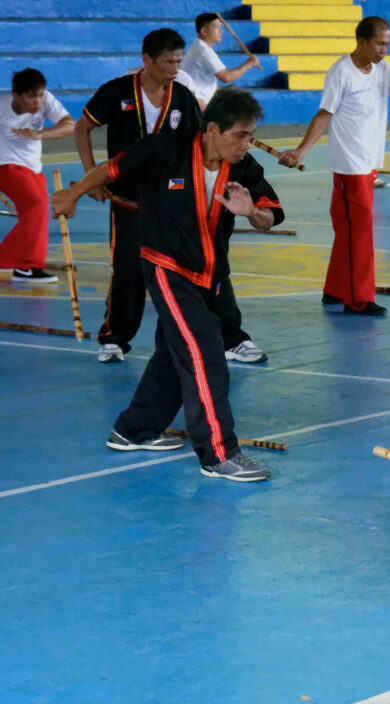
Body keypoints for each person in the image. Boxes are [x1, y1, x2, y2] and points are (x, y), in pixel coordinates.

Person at [52, 87, 284, 482]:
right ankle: (219, 454)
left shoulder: (243, 168)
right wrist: (74, 193)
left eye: (251, 135)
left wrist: (250, 213)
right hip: (165, 267)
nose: (248, 144)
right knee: (204, 351)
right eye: (240, 135)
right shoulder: (165, 149)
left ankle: (133, 429)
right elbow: (112, 169)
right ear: (212, 129)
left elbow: (269, 215)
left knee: (172, 356)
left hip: (209, 276)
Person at [76, 28, 265, 364]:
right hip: (129, 200)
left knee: (205, 264)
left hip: (175, 200)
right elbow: (82, 127)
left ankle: (230, 338)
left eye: (179, 60)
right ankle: (114, 337)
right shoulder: (117, 91)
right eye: (167, 61)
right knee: (128, 271)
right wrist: (91, 177)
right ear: (146, 60)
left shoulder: (181, 95)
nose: (175, 67)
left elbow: (201, 140)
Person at [278, 16, 390, 316]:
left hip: (368, 164)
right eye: (380, 44)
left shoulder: (382, 68)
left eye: (387, 44)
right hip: (350, 165)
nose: (384, 49)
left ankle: (336, 290)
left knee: (349, 231)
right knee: (360, 233)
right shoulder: (341, 71)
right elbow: (324, 115)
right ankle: (359, 299)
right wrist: (301, 151)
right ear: (362, 41)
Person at [0, 68, 74, 282]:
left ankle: (6, 259)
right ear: (17, 95)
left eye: (40, 95)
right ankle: (26, 265)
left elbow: (70, 125)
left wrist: (42, 133)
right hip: (6, 165)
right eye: (32, 96)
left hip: (33, 168)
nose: (38, 102)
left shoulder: (46, 99)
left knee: (37, 212)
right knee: (36, 205)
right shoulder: (2, 107)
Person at [181, 12, 260, 107]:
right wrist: (249, 64)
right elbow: (226, 77)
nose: (221, 31)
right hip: (197, 103)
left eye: (221, 28)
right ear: (204, 31)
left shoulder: (199, 47)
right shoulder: (203, 51)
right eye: (216, 27)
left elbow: (208, 83)